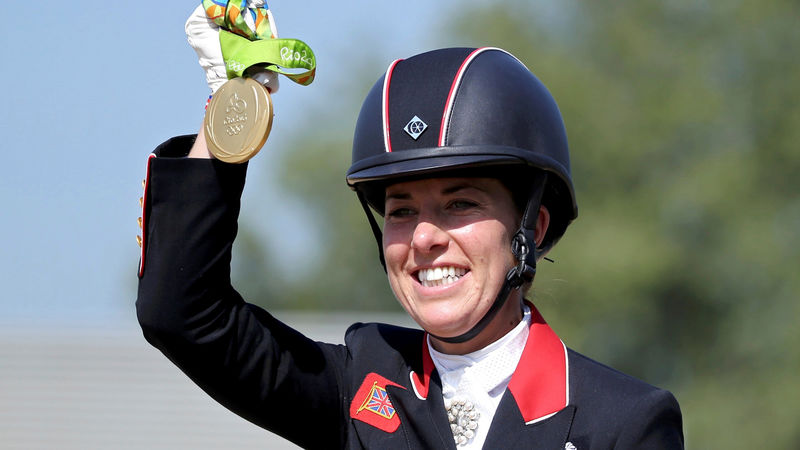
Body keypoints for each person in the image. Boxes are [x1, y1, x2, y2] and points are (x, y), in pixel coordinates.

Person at [136, 7, 684, 450]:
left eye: (460, 204)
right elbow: (182, 314)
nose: (424, 237)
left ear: (532, 228)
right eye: (401, 211)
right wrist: (235, 100)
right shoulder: (361, 385)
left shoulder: (626, 424)